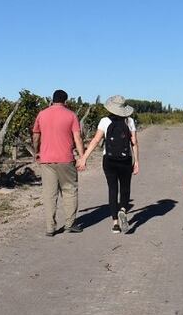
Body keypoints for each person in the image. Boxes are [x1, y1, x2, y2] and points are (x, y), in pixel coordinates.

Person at [78, 95, 140, 234]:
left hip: (109, 160)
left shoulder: (104, 121)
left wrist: (84, 158)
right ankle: (123, 210)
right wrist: (137, 161)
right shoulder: (129, 121)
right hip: (125, 160)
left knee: (112, 190)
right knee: (125, 188)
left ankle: (115, 224)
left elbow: (95, 140)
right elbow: (134, 142)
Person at [32, 89, 85, 236]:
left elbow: (36, 135)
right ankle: (70, 224)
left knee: (49, 194)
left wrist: (37, 151)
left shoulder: (42, 114)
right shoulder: (71, 115)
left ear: (52, 100)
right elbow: (77, 138)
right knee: (69, 191)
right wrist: (82, 157)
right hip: (66, 159)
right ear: (65, 101)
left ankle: (50, 227)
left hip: (46, 159)